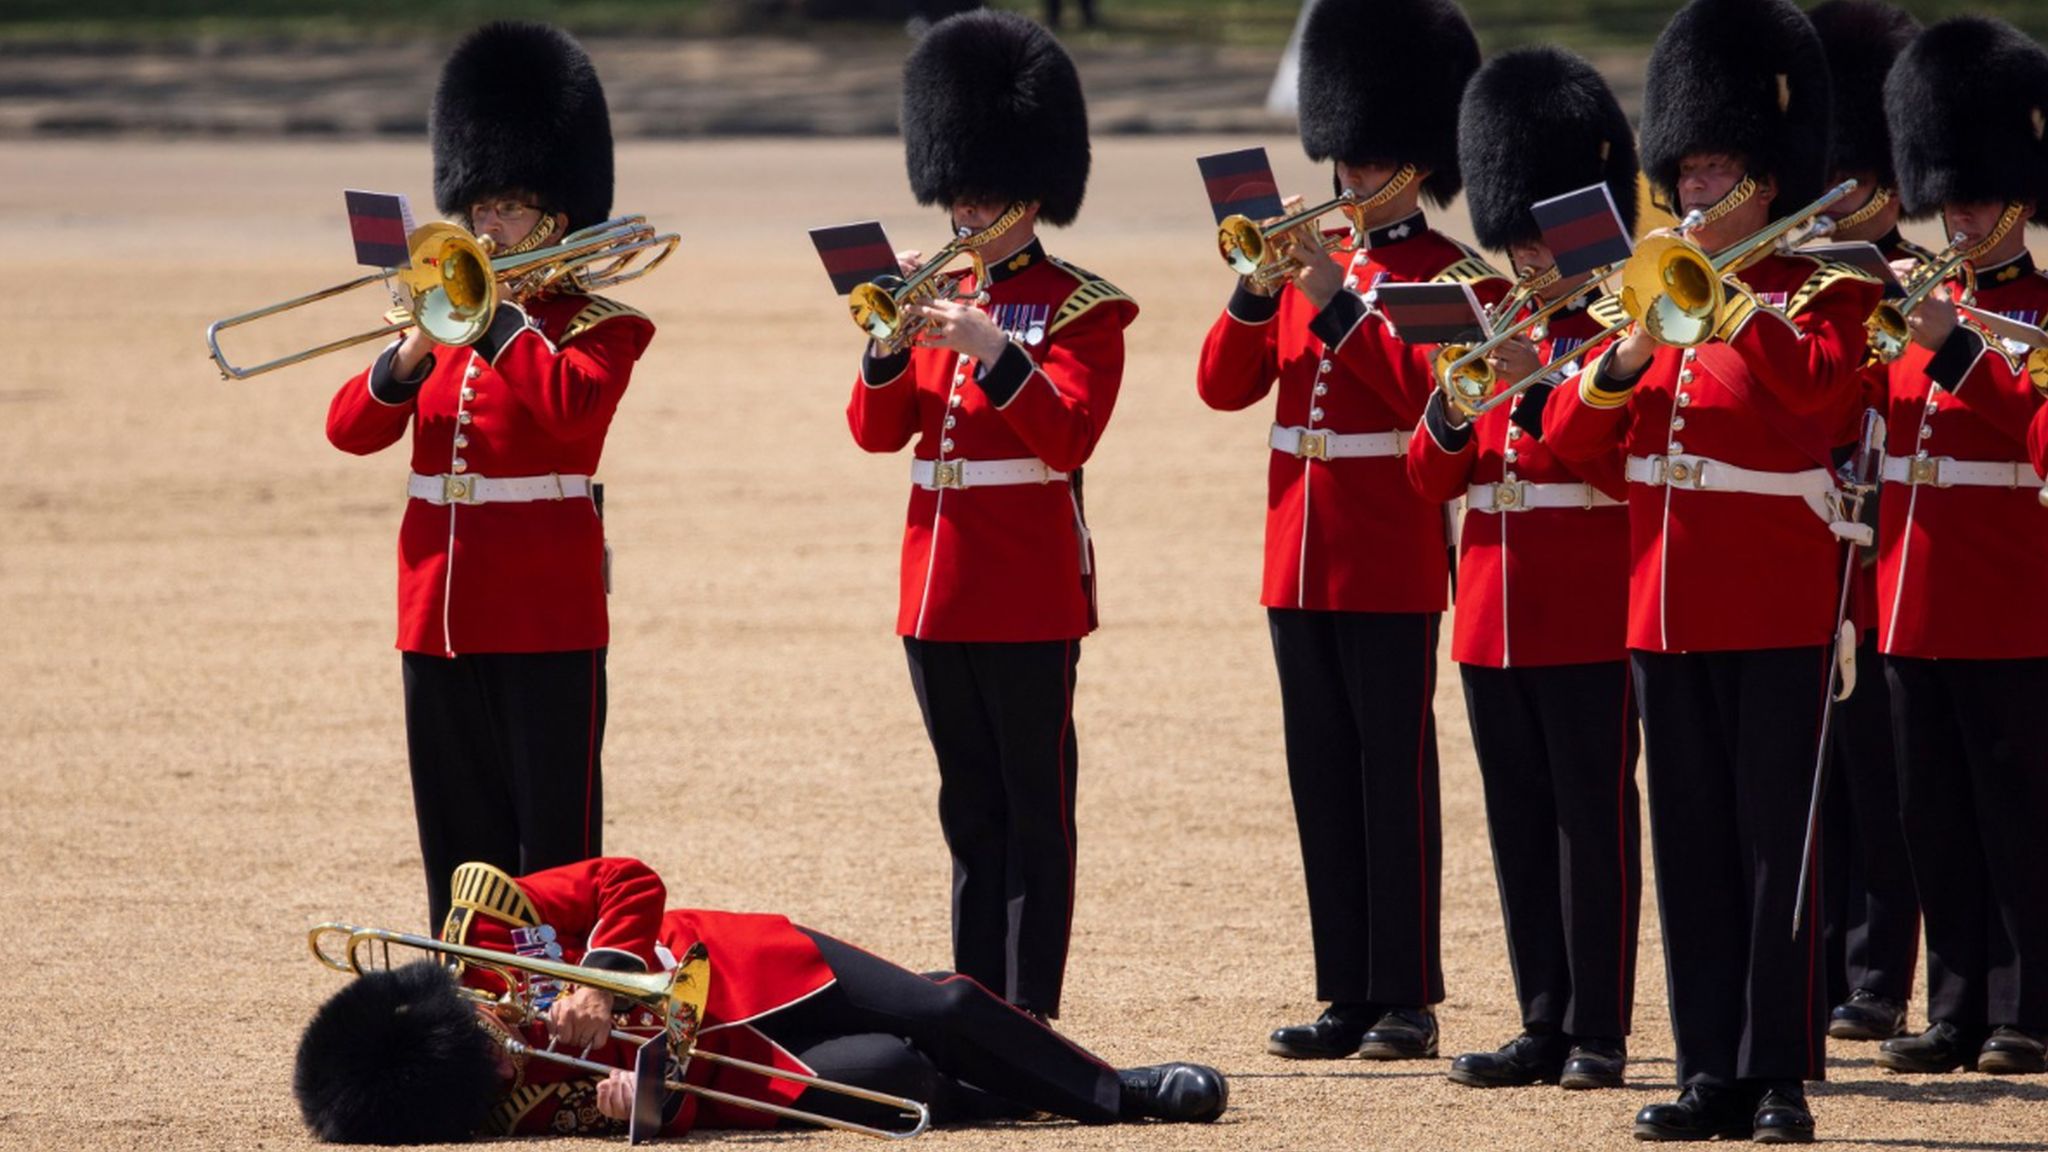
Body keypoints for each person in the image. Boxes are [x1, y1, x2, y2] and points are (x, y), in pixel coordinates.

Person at [1541, 0, 1884, 1139]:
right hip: (1663, 600)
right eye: (1682, 170)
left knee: (1769, 846)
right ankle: (1706, 1073)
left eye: (1717, 170)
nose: (1693, 192)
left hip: (1775, 593)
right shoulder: (1647, 286)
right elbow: (1569, 447)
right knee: (1685, 841)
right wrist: (1626, 353)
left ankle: (1777, 1072)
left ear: (1764, 177)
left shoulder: (1832, 286)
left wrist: (1728, 303)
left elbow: (1820, 402)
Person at [1196, 0, 1503, 1063]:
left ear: (1415, 165)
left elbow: (1426, 396)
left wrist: (1333, 302)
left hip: (1387, 543)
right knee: (1318, 770)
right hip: (1297, 544)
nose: (1348, 174)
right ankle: (1343, 990)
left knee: (1390, 769)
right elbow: (1220, 387)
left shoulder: (1451, 279)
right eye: (1342, 156)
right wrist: (1254, 290)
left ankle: (1405, 993)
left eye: (1369, 159)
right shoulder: (1305, 252)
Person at [325, 22, 656, 933]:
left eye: (508, 210)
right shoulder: (441, 326)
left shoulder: (599, 325)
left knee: (552, 858)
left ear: (555, 218)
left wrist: (497, 320)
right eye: (479, 208)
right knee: (456, 852)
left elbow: (573, 418)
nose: (486, 227)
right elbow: (349, 432)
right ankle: (470, 1033)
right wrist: (409, 355)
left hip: (545, 619)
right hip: (436, 616)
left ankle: (556, 1039)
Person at [845, 9, 1136, 1022]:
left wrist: (995, 351)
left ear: (1027, 192)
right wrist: (885, 353)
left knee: (1031, 808)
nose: (962, 211)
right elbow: (878, 437)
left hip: (1024, 585)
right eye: (954, 191)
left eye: (980, 195)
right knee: (966, 806)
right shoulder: (931, 295)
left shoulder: (1079, 307)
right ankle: (972, 1002)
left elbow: (1066, 438)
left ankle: (1029, 1009)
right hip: (936, 582)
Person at [293, 857, 1227, 1141]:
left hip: (747, 960)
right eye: (485, 1073)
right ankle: (1014, 1092)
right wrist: (643, 1108)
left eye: (482, 1040)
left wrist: (610, 990)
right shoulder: (502, 1102)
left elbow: (626, 880)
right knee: (901, 1074)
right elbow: (663, 1112)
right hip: (739, 1066)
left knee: (940, 1009)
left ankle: (1124, 1092)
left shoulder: (483, 923)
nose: (504, 1056)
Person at [1406, 45, 1641, 1092]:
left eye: (1534, 240)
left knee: (1590, 823)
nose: (1523, 259)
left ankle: (1599, 1026)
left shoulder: (1615, 332)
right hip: (1491, 606)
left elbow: (1585, 453)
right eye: (1513, 242)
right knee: (1514, 825)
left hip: (1586, 605)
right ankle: (1540, 1017)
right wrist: (1456, 401)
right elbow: (1426, 476)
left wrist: (1528, 381)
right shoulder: (1494, 328)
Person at [1871, 14, 2048, 1078]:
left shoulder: (2034, 315)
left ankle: (2026, 1006)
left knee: (2015, 813)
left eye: (1975, 195)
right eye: (1946, 195)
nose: (1957, 213)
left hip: (2005, 594)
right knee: (1927, 815)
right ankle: (1954, 1007)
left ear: (2019, 198)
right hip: (1908, 595)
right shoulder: (1913, 309)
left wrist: (1952, 356)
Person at [1805, 0, 1925, 1047]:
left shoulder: (1915, 283)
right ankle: (1832, 958)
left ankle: (1878, 972)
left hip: (1892, 543)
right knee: (1821, 766)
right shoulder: (1802, 281)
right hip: (1806, 541)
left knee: (1883, 771)